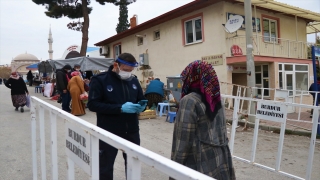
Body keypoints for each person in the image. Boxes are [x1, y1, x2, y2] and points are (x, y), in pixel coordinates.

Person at [170, 60, 235, 180]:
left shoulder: (189, 101)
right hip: (220, 162)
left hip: (199, 164)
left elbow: (182, 142)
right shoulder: (216, 99)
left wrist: (173, 171)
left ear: (191, 77)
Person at [87, 53, 146, 180]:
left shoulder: (134, 80)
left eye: (130, 71)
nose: (128, 73)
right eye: (125, 70)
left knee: (133, 165)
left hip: (131, 131)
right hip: (108, 131)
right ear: (116, 65)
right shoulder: (100, 80)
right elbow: (92, 104)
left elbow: (140, 99)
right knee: (105, 167)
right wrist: (120, 108)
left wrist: (142, 106)